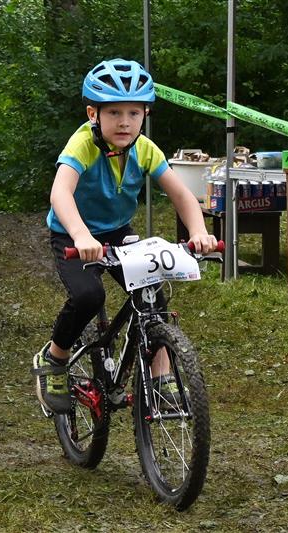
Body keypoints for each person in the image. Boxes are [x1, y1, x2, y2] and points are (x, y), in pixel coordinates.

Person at [32, 59, 217, 414]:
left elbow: (181, 195)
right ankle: (54, 357)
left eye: (134, 113)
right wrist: (82, 236)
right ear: (93, 113)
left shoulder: (145, 149)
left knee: (153, 296)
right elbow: (60, 194)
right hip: (73, 233)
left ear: (144, 115)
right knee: (89, 296)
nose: (124, 122)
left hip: (117, 231)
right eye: (114, 112)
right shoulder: (82, 144)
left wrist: (198, 231)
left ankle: (161, 379)